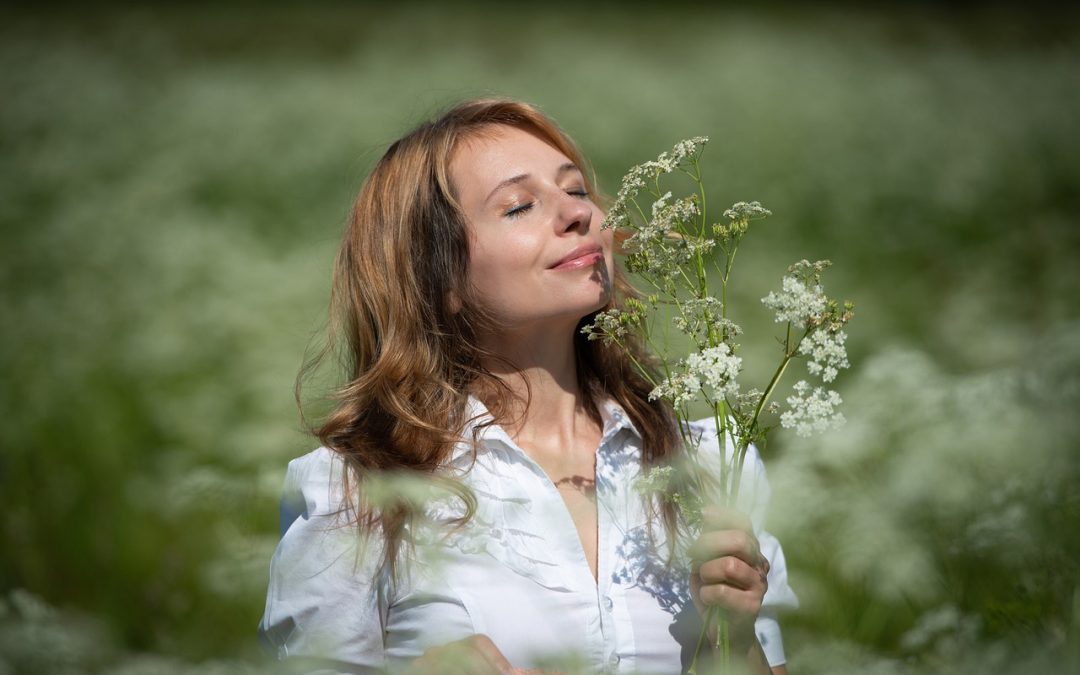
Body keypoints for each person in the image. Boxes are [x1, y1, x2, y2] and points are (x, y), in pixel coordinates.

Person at [258, 98, 798, 674]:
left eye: (577, 191)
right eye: (519, 207)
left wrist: (736, 639)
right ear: (439, 278)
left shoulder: (711, 461)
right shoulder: (358, 490)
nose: (576, 214)